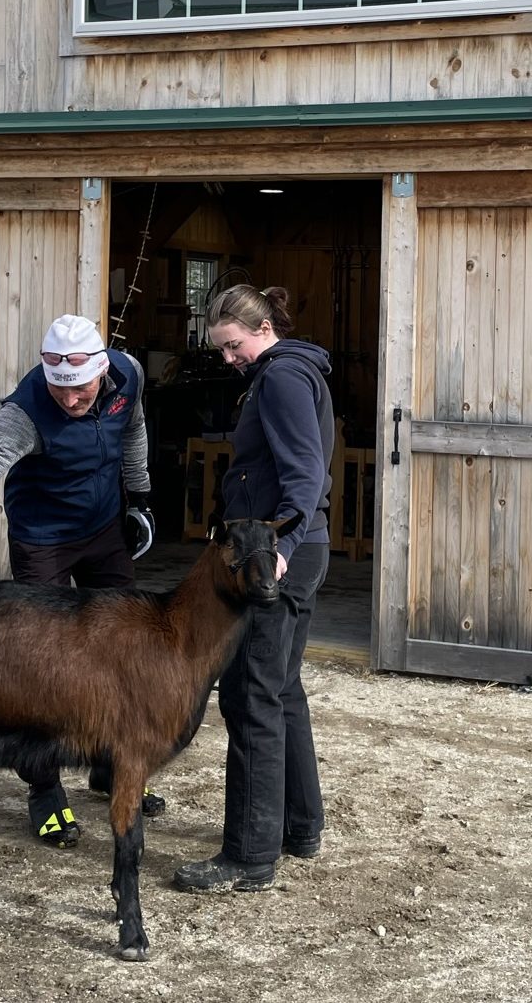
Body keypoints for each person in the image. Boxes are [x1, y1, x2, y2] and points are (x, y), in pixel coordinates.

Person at [0, 313, 162, 844]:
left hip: (103, 527)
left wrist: (141, 498)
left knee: (125, 648)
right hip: (43, 538)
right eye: (59, 390)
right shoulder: (25, 414)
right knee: (46, 669)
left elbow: (134, 429)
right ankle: (44, 790)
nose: (70, 401)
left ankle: (112, 766)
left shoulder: (129, 375)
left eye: (79, 390)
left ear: (102, 372)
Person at [173, 284, 333, 894]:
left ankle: (248, 856)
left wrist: (281, 549)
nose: (228, 359)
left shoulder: (283, 379)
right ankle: (298, 825)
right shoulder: (289, 371)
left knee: (249, 697)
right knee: (282, 689)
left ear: (263, 328)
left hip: (278, 556)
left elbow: (306, 472)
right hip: (295, 549)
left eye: (233, 346)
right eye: (221, 350)